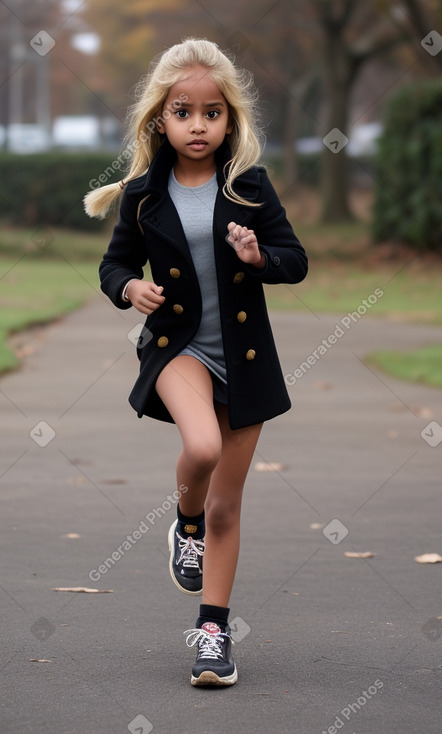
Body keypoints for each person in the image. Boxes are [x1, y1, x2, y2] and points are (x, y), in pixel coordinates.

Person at [84, 37, 308, 687]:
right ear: (162, 118)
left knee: (228, 511)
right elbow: (114, 264)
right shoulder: (144, 194)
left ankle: (213, 635)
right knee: (202, 450)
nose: (198, 124)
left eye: (211, 112)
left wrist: (258, 256)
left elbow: (294, 261)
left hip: (244, 360)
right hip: (178, 348)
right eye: (183, 111)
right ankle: (183, 521)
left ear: (228, 118)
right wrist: (130, 288)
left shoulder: (249, 187)